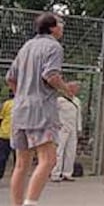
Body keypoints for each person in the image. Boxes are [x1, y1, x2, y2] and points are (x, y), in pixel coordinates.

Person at [5, 12, 76, 206]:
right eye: (60, 23)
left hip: (20, 109)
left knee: (21, 164)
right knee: (48, 159)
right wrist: (67, 89)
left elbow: (10, 78)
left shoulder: (26, 46)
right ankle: (31, 202)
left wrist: (23, 94)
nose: (62, 26)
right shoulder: (54, 47)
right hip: (41, 110)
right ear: (52, 28)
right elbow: (51, 75)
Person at [51, 83, 82, 182]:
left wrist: (79, 128)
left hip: (73, 129)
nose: (77, 90)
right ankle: (55, 173)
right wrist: (56, 124)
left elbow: (78, 115)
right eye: (76, 87)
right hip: (62, 128)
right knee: (59, 151)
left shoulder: (77, 101)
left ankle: (67, 173)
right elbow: (53, 113)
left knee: (71, 151)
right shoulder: (59, 101)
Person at [0, 91, 14, 183]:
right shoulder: (24, 103)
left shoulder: (6, 104)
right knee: (19, 159)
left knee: (2, 157)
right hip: (18, 135)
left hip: (5, 134)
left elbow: (1, 118)